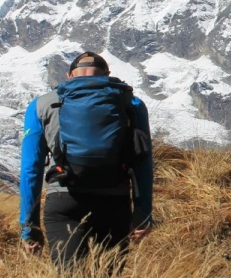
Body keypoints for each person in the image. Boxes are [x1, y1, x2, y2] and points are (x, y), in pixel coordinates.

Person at [18, 51, 154, 265]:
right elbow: (143, 164)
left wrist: (29, 226)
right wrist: (143, 212)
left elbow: (31, 169)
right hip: (114, 200)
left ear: (69, 76)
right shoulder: (131, 103)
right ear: (107, 75)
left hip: (64, 199)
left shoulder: (41, 105)